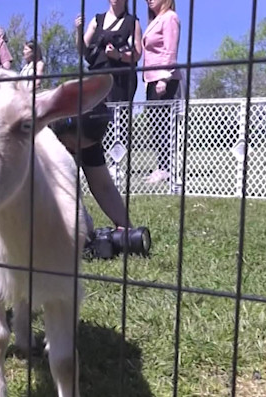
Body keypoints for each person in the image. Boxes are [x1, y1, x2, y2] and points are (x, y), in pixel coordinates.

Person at [50, 0, 143, 230]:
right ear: (66, 126)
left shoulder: (88, 133)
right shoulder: (45, 140)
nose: (83, 149)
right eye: (79, 144)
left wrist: (127, 228)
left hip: (116, 83)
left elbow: (103, 186)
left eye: (89, 145)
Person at [142, 0, 181, 185]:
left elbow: (170, 51)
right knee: (157, 126)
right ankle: (162, 166)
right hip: (151, 80)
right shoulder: (155, 21)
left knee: (164, 126)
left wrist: (164, 78)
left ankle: (166, 168)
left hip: (164, 81)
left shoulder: (170, 18)